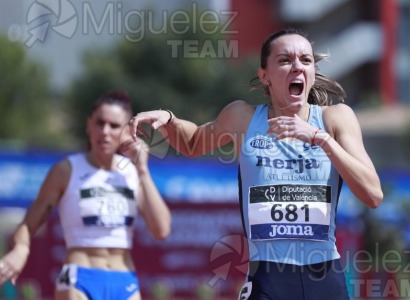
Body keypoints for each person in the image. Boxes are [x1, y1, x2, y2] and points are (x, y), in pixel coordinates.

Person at [130, 28, 383, 299]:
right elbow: (192, 144)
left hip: (324, 277)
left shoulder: (336, 119)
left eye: (305, 60)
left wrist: (321, 140)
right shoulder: (243, 118)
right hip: (268, 279)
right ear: (264, 75)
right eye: (285, 60)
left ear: (311, 73)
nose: (297, 66)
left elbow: (373, 195)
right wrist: (169, 117)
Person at [0, 90, 171, 300]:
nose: (105, 131)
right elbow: (28, 224)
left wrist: (143, 170)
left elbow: (162, 230)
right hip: (79, 279)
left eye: (114, 126)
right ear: (89, 125)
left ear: (126, 132)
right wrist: (21, 248)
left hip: (124, 281)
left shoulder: (132, 173)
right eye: (100, 123)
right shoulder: (67, 170)